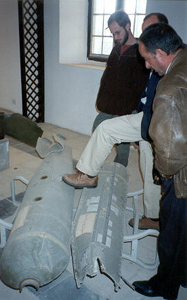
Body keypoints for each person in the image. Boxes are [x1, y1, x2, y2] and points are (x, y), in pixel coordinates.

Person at [63, 13, 168, 231]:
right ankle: (153, 216)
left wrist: (132, 114)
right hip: (144, 115)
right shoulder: (139, 52)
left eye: (118, 31)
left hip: (154, 120)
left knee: (137, 157)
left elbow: (142, 88)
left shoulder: (160, 58)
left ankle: (94, 176)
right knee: (138, 154)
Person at [133, 23, 187, 300]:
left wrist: (163, 175)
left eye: (147, 58)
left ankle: (164, 285)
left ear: (160, 53)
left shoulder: (168, 89)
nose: (146, 65)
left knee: (171, 231)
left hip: (182, 177)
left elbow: (168, 146)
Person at [92, 10, 149, 167]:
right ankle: (93, 166)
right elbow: (108, 76)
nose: (116, 37)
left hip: (126, 107)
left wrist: (129, 111)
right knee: (97, 129)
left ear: (128, 26)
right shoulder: (116, 48)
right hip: (109, 104)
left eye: (118, 32)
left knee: (121, 139)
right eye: (113, 33)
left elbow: (140, 85)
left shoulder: (140, 51)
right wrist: (101, 100)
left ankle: (120, 167)